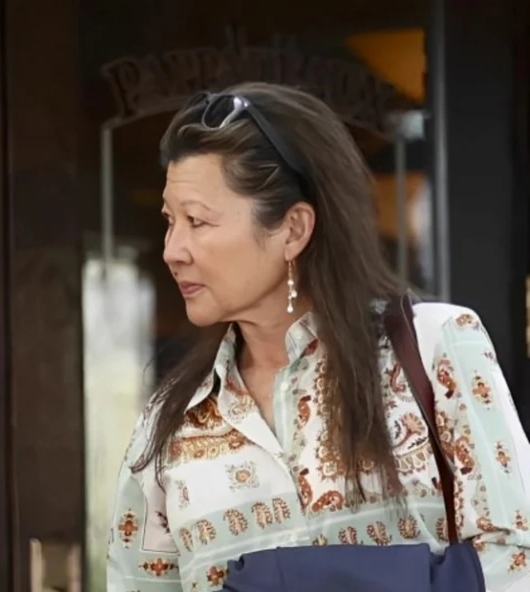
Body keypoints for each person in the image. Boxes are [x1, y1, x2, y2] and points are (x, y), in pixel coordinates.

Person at [105, 82, 530, 592]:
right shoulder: (169, 427)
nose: (174, 249)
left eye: (198, 221)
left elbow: (517, 562)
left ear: (293, 229)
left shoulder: (436, 348)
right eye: (171, 222)